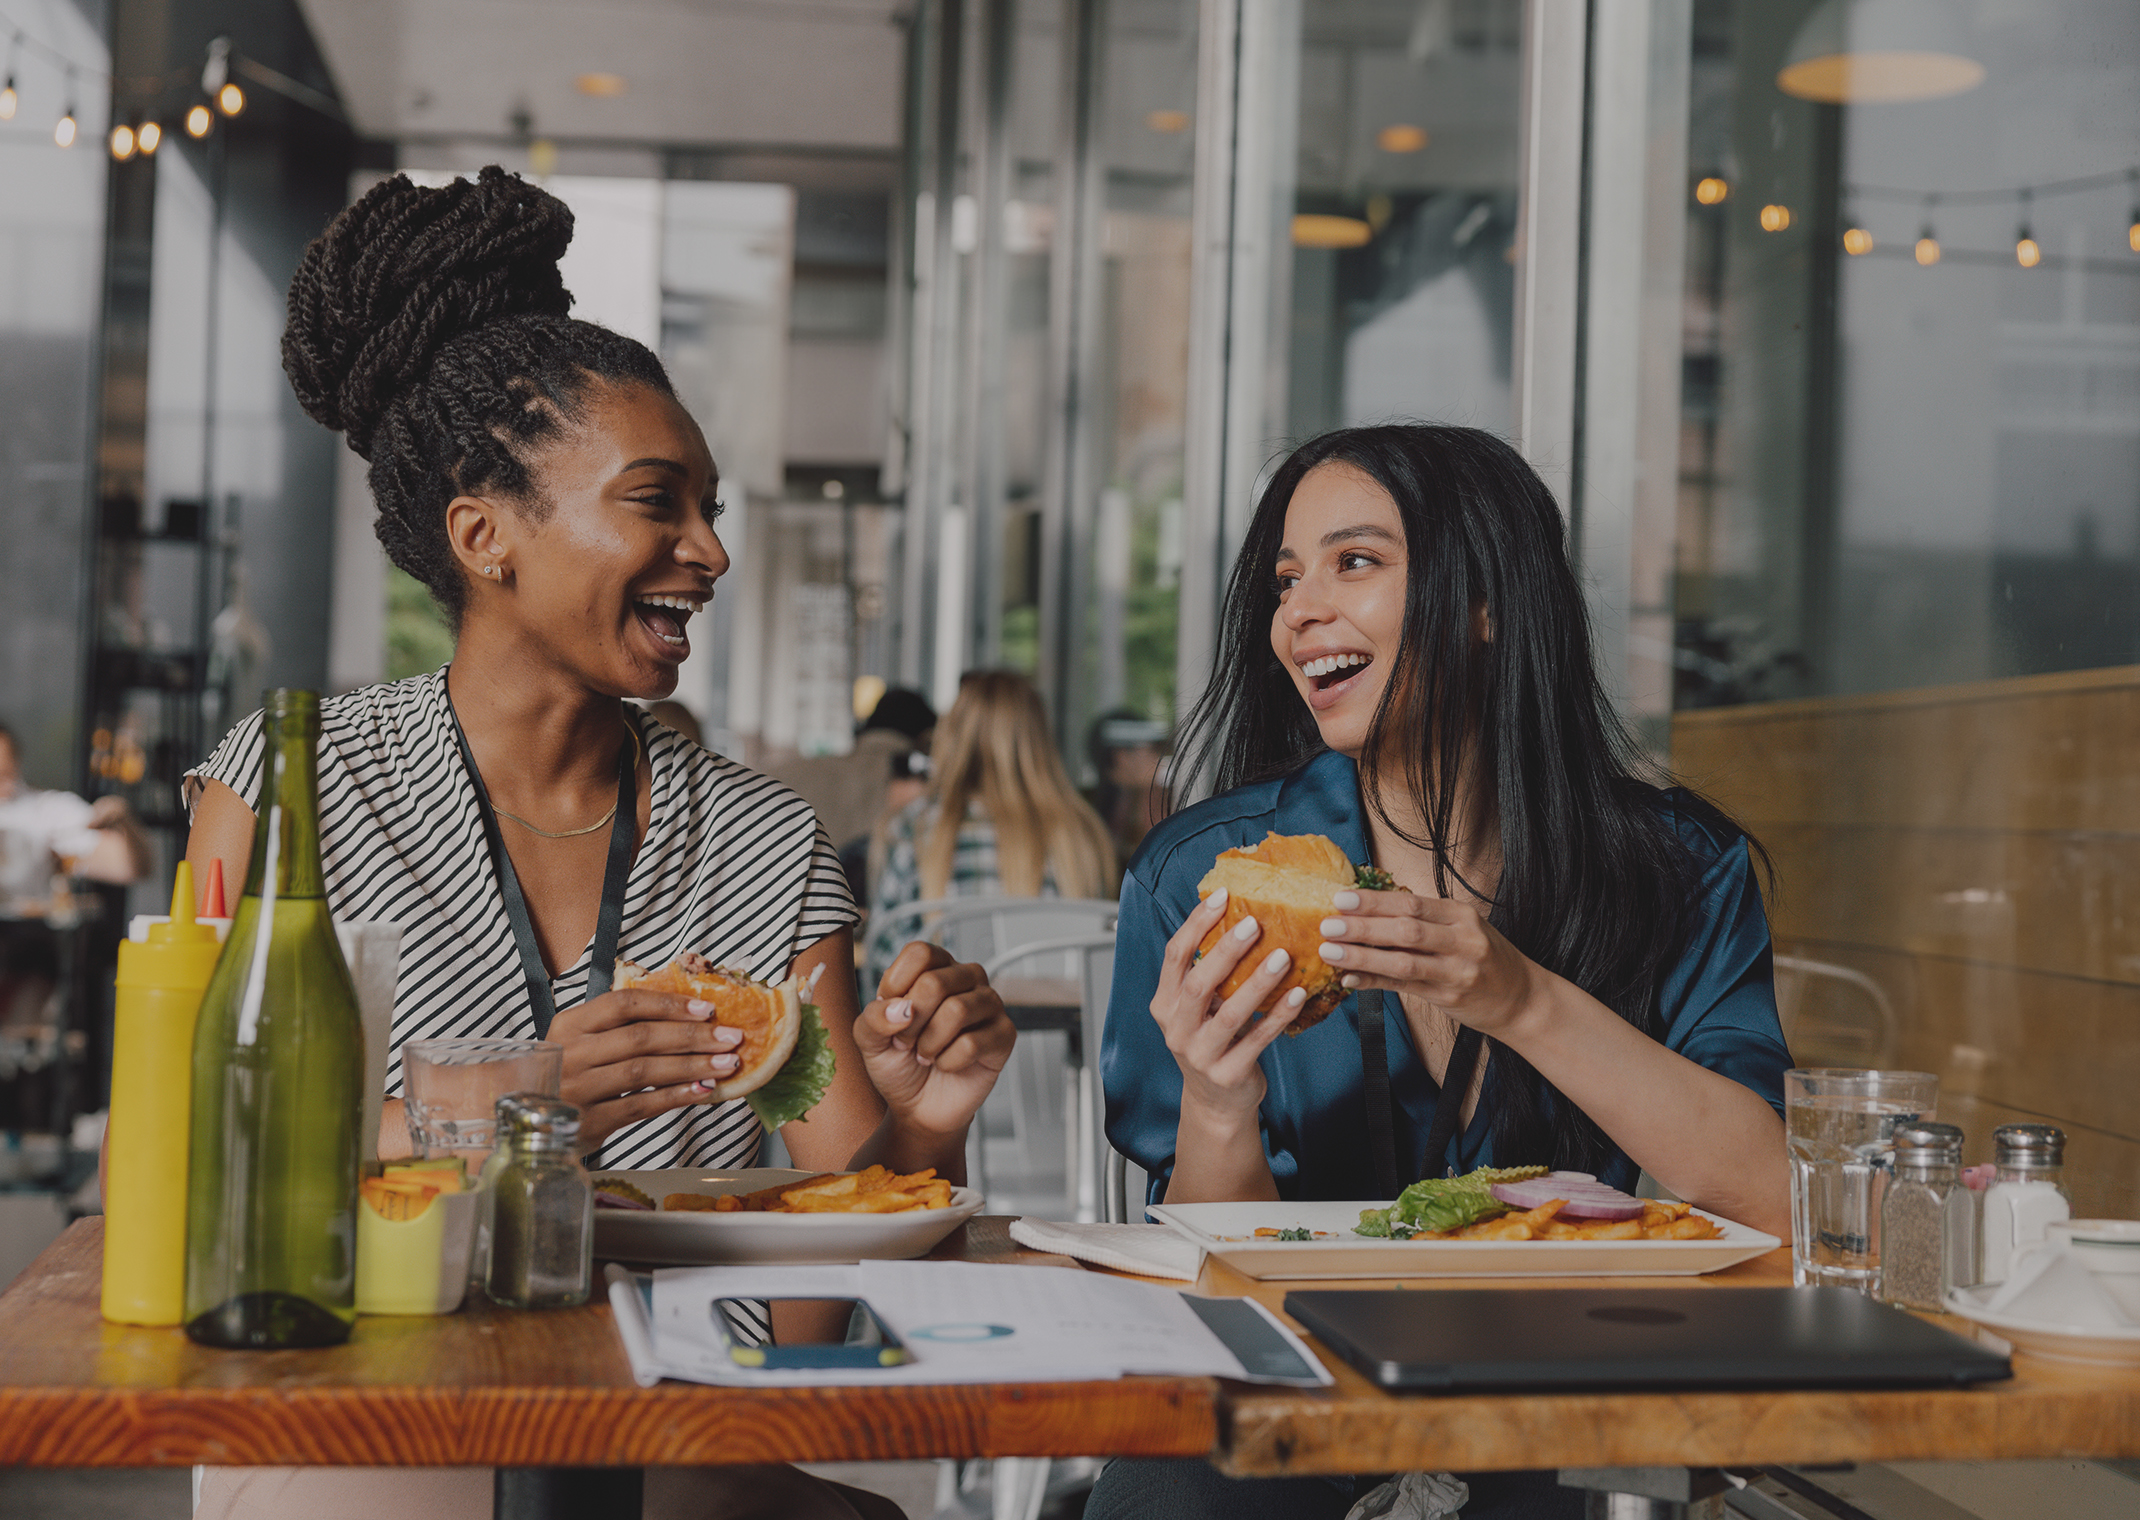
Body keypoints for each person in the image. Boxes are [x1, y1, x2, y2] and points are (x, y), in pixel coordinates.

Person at [184, 167, 1013, 1520]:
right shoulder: (291, 799)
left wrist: (920, 1132)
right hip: (365, 1405)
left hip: (680, 1418)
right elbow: (202, 1164)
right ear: (485, 537)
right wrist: (502, 1111)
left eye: (713, 510)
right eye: (657, 502)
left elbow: (836, 1271)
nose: (710, 553)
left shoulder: (758, 846)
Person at [1091, 425, 1793, 1520]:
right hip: (1267, 1411)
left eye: (1354, 562)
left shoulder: (1675, 866)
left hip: (1550, 1409)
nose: (1297, 611)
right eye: (1286, 578)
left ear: (1486, 604)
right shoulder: (1201, 877)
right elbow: (1205, 1292)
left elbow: (1773, 1198)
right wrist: (1219, 1105)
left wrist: (1520, 997)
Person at [864, 671, 1116, 984]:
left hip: (942, 1026)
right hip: (1061, 1028)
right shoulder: (1083, 833)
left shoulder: (914, 828)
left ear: (951, 735)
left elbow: (881, 966)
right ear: (1040, 739)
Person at [1082, 707, 1170, 865]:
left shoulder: (1088, 812)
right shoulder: (1146, 805)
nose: (1159, 758)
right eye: (1152, 749)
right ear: (1122, 757)